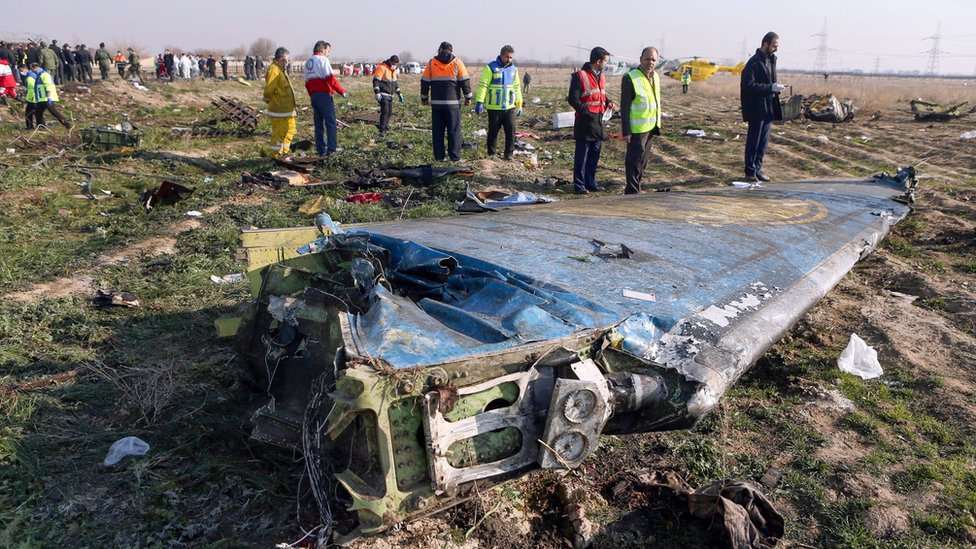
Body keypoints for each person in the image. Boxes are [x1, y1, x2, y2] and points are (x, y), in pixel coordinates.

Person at [567, 46, 616, 194]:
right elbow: (573, 99)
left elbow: (600, 94)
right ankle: (579, 185)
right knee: (582, 156)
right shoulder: (579, 76)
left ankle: (590, 182)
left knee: (594, 154)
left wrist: (609, 102)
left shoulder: (601, 76)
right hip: (585, 122)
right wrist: (586, 112)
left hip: (599, 122)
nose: (606, 64)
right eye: (605, 61)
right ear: (598, 61)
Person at [740, 31, 785, 183]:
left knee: (763, 142)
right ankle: (750, 171)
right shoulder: (754, 63)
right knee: (754, 140)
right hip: (756, 108)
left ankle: (758, 169)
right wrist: (770, 88)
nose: (776, 49)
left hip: (768, 108)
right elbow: (748, 85)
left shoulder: (771, 60)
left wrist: (775, 88)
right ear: (765, 44)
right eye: (774, 46)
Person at [620, 47, 662, 195]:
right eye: (647, 59)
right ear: (640, 59)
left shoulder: (655, 77)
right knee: (634, 161)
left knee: (643, 162)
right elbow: (624, 107)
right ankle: (631, 191)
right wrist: (626, 131)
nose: (650, 62)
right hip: (636, 129)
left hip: (650, 126)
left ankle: (637, 187)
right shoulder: (630, 78)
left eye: (653, 59)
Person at [421, 41, 472, 161]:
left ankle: (439, 157)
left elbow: (425, 82)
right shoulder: (457, 62)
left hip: (437, 105)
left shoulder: (431, 63)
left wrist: (424, 99)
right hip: (453, 104)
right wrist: (468, 97)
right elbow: (465, 81)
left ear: (440, 49)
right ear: (451, 50)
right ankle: (454, 157)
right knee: (454, 131)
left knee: (438, 132)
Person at [475, 45, 523, 160]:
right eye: (507, 57)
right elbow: (483, 86)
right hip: (494, 108)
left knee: (511, 132)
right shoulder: (490, 68)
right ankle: (492, 155)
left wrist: (519, 104)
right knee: (493, 132)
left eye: (511, 57)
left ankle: (509, 155)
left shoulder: (514, 70)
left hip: (509, 107)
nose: (509, 60)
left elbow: (517, 88)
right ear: (501, 55)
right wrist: (479, 102)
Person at [304, 41, 348, 156]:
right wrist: (341, 91)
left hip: (314, 95)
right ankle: (331, 149)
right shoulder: (323, 60)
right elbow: (330, 78)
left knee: (318, 123)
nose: (328, 54)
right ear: (322, 50)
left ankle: (320, 149)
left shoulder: (308, 62)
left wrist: (312, 96)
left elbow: (307, 83)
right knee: (331, 122)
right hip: (324, 94)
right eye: (328, 51)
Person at [263, 47, 297, 158]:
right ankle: (275, 156)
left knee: (290, 129)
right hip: (279, 109)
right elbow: (269, 89)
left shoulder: (280, 69)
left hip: (287, 109)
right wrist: (268, 100)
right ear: (282, 59)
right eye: (286, 60)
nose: (287, 62)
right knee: (280, 132)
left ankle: (284, 152)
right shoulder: (274, 70)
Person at [24, 62, 71, 129]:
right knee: (38, 113)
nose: (31, 70)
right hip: (41, 98)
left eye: (32, 69)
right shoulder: (38, 75)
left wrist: (49, 96)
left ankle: (66, 123)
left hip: (46, 98)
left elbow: (48, 85)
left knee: (53, 112)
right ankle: (41, 127)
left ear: (35, 68)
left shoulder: (44, 75)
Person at [372, 54, 403, 134]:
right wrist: (377, 93)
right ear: (391, 62)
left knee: (389, 112)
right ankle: (382, 130)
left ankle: (386, 127)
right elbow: (376, 81)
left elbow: (395, 83)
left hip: (390, 94)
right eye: (394, 64)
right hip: (383, 93)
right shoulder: (382, 67)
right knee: (385, 111)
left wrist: (399, 93)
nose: (395, 66)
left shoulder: (394, 70)